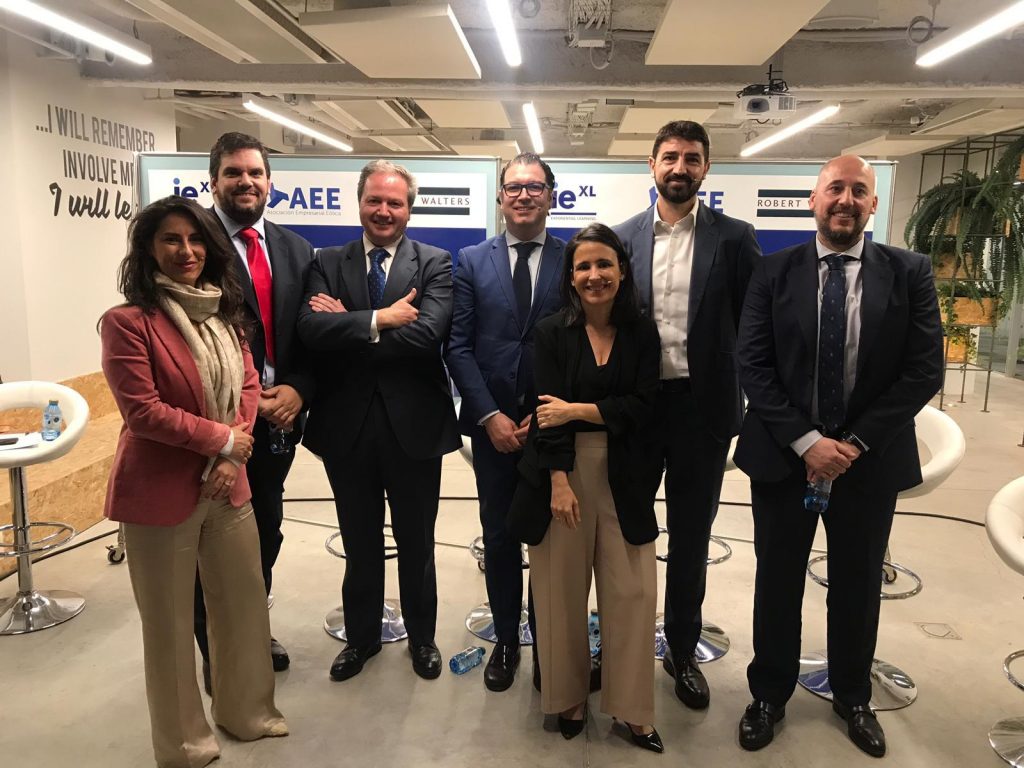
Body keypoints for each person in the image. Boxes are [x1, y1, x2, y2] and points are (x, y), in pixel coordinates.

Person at [734, 155, 943, 757]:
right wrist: (808, 442)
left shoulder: (910, 273)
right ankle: (768, 694)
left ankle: (853, 695)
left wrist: (850, 445)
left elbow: (922, 370)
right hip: (784, 459)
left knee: (857, 583)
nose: (845, 199)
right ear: (814, 200)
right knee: (777, 582)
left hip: (866, 463)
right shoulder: (773, 271)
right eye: (835, 189)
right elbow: (753, 364)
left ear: (873, 203)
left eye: (858, 190)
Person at [100, 196, 287, 768]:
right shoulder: (128, 323)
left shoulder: (225, 316)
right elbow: (143, 412)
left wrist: (233, 454)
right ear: (147, 250)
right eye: (171, 239)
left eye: (196, 238)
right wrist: (222, 441)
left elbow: (249, 386)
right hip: (160, 493)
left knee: (243, 606)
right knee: (170, 625)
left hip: (228, 485)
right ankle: (184, 743)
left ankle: (247, 711)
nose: (186, 251)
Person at [613, 120, 761, 709]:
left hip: (704, 410)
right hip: (637, 408)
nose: (680, 167)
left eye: (692, 158)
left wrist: (748, 401)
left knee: (692, 536)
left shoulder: (736, 239)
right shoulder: (621, 238)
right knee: (626, 531)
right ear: (652, 166)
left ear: (706, 169)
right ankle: (622, 643)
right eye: (670, 156)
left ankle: (681, 649)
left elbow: (753, 326)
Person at [298, 159, 460, 682]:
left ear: (409, 209)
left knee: (417, 543)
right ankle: (361, 638)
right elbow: (310, 331)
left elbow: (427, 336)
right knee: (359, 542)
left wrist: (347, 325)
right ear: (360, 203)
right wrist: (380, 319)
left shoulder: (434, 262)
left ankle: (423, 639)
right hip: (346, 427)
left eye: (395, 202)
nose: (384, 211)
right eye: (375, 200)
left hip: (415, 427)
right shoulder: (326, 261)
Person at [510, 223, 663, 752]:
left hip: (626, 476)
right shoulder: (552, 332)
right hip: (562, 473)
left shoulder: (643, 332)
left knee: (634, 594)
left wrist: (578, 410)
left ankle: (632, 709)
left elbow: (645, 407)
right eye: (583, 267)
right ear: (571, 277)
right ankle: (568, 697)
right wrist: (558, 480)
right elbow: (544, 413)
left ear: (622, 270)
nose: (594, 275)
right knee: (559, 593)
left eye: (603, 264)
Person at [193, 131, 317, 688]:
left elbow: (308, 334)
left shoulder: (295, 249)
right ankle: (217, 651)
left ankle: (250, 630)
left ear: (270, 182)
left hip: (279, 421)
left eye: (255, 173)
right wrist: (241, 407)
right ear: (213, 181)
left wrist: (298, 390)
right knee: (211, 540)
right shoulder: (192, 244)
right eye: (233, 173)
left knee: (265, 530)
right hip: (216, 422)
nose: (246, 182)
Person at [445, 152, 565, 691]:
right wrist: (490, 415)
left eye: (534, 187)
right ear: (500, 197)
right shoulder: (471, 260)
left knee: (549, 539)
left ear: (550, 197)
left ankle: (548, 640)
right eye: (514, 187)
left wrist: (546, 416)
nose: (523, 196)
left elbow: (581, 343)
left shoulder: (574, 257)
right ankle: (508, 642)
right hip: (491, 426)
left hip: (553, 424)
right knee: (498, 536)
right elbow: (458, 345)